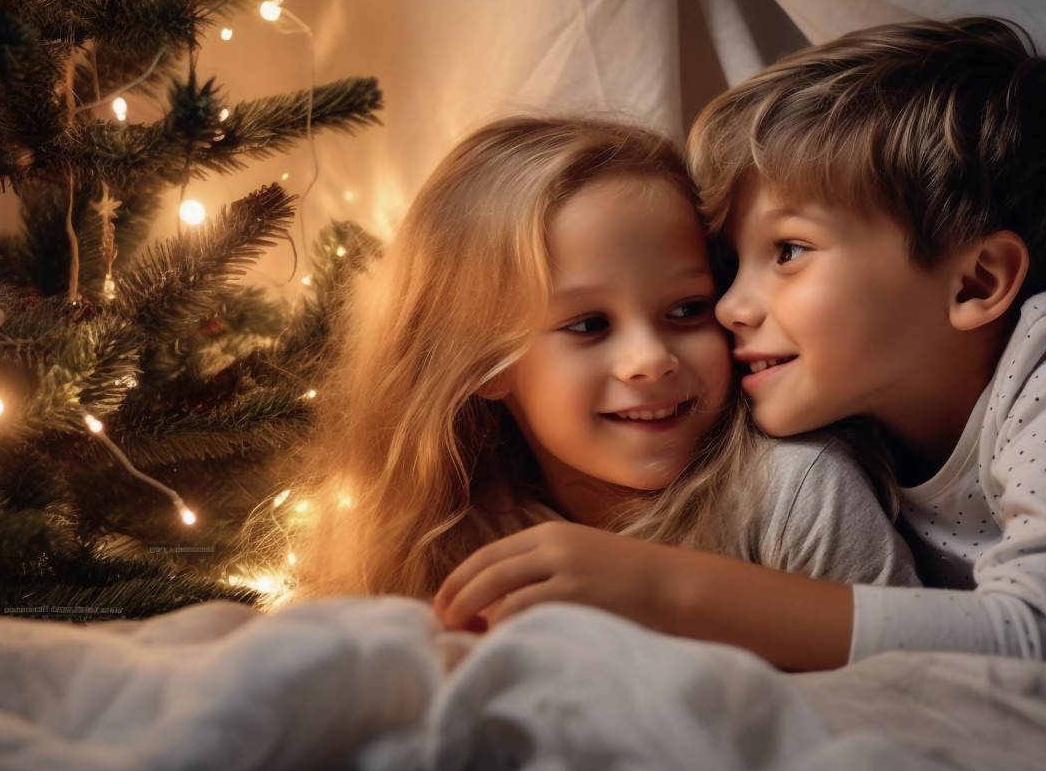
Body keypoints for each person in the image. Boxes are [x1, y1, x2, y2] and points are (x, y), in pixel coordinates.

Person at [439, 18, 1046, 696]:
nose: (728, 306)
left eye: (787, 250)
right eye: (728, 264)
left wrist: (662, 586)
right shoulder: (850, 411)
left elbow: (1040, 634)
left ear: (977, 281)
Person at [295, 115, 915, 611]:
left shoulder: (792, 491)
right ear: (486, 364)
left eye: (686, 308)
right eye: (589, 325)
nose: (649, 359)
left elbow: (928, 692)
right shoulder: (455, 535)